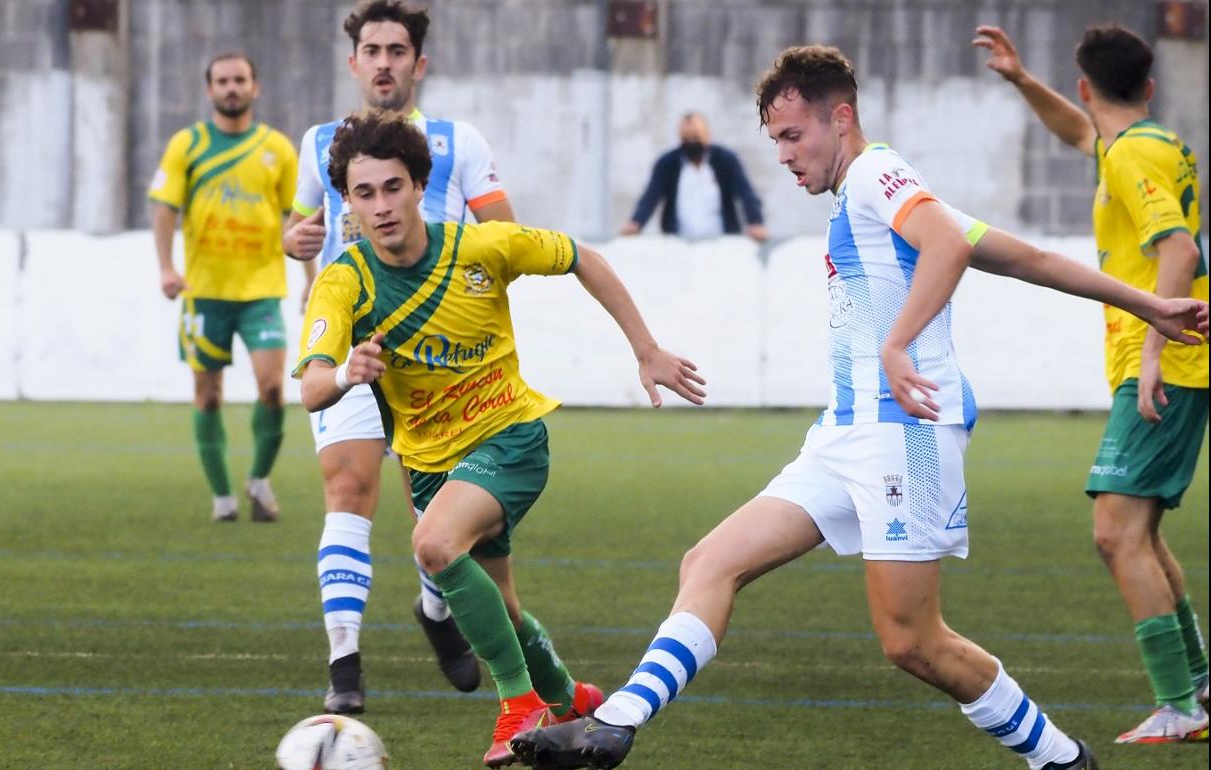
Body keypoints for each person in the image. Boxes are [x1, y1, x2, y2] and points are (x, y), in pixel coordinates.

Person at [511, 45, 1211, 770]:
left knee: (913, 641)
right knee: (711, 561)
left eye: (792, 136)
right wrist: (1149, 303)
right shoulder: (873, 187)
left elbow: (943, 243)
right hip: (845, 435)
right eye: (774, 140)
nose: (782, 156)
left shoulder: (877, 172)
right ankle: (615, 726)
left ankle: (1062, 760)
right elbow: (1014, 254)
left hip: (905, 434)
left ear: (840, 118)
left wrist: (897, 345)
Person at [293, 111, 707, 767]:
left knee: (431, 544)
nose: (381, 206)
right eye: (364, 193)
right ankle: (569, 697)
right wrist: (347, 371)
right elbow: (312, 386)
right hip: (433, 466)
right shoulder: (345, 281)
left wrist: (646, 348)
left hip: (510, 439)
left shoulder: (481, 248)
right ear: (346, 200)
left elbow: (582, 258)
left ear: (419, 183)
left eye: (393, 187)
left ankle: (518, 703)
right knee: (504, 614)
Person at [974, 23, 1210, 744]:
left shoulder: (1132, 153)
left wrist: (1148, 354)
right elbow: (1083, 133)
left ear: (1087, 83)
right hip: (1171, 359)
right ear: (1147, 85)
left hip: (1163, 362)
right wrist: (1020, 80)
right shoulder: (1146, 143)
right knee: (1139, 532)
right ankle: (1198, 688)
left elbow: (1177, 246)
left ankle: (1181, 706)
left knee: (1114, 531)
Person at [282, 0, 516, 711]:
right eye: (372, 50)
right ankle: (344, 666)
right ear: (354, 63)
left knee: (437, 520)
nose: (383, 62)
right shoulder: (320, 140)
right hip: (351, 345)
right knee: (348, 492)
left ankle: (436, 612)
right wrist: (298, 250)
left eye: (397, 50)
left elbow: (502, 235)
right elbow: (306, 231)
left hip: (438, 359)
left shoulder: (457, 141)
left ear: (420, 62)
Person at [149, 52, 305, 523]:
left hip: (261, 290)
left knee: (274, 388)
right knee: (208, 395)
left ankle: (259, 478)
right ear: (209, 89)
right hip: (204, 292)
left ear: (255, 87)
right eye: (222, 80)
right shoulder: (187, 145)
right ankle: (222, 497)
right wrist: (165, 267)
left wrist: (311, 276)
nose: (231, 87)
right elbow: (164, 208)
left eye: (240, 79)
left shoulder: (277, 147)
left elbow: (296, 219)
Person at [621, 112, 768, 241]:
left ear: (707, 135)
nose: (692, 142)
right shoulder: (667, 163)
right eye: (686, 138)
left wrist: (756, 223)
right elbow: (651, 196)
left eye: (696, 136)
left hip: (722, 242)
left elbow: (745, 193)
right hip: (678, 242)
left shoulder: (726, 160)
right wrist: (636, 223)